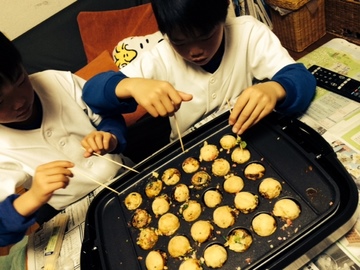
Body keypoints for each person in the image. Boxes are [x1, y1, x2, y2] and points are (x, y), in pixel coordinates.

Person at [82, 0, 316, 142]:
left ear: (225, 8)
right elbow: (91, 93)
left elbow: (301, 78)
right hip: (187, 148)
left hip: (247, 132)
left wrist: (275, 89)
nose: (195, 52)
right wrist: (130, 85)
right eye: (180, 42)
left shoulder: (249, 33)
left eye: (205, 37)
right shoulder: (160, 57)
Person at [0, 32, 135, 247]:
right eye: (0, 102)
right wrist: (32, 197)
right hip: (79, 215)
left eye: (20, 81)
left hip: (126, 177)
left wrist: (111, 137)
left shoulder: (55, 80)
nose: (19, 102)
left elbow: (108, 114)